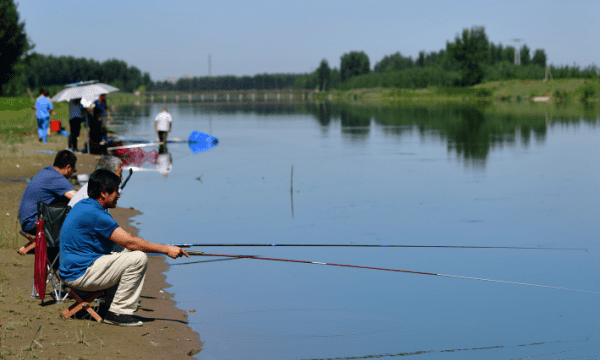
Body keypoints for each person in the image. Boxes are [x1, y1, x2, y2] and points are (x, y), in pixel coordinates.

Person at [59, 169, 189, 326]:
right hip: (78, 274)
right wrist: (166, 249)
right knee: (138, 258)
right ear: (103, 194)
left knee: (130, 252)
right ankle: (118, 312)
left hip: (74, 269)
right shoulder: (95, 213)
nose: (119, 195)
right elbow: (130, 242)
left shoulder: (86, 205)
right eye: (115, 191)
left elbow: (125, 241)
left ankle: (108, 306)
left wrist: (160, 247)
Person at [18, 150, 77, 235]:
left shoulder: (47, 172)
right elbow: (78, 198)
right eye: (74, 170)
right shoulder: (56, 178)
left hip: (27, 220)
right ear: (69, 168)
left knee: (65, 202)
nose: (72, 174)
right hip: (33, 223)